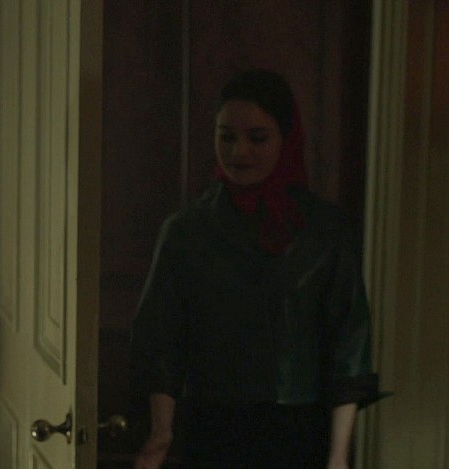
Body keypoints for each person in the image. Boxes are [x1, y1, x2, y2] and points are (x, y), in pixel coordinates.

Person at [129, 69, 381, 468]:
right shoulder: (186, 232)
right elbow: (161, 339)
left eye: (257, 138)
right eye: (226, 136)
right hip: (212, 427)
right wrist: (161, 432)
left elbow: (349, 346)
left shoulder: (325, 230)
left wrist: (338, 456)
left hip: (299, 429)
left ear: (285, 138)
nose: (239, 152)